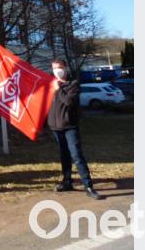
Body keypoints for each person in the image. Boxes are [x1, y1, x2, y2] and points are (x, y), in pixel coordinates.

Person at [48, 59, 102, 200]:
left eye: (59, 67)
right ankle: (67, 181)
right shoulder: (51, 85)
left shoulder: (73, 84)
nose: (57, 71)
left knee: (76, 156)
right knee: (64, 156)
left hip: (69, 126)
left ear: (65, 68)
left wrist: (58, 89)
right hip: (55, 127)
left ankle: (88, 186)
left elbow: (69, 102)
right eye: (54, 68)